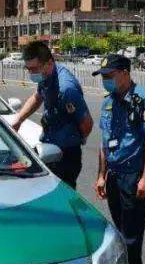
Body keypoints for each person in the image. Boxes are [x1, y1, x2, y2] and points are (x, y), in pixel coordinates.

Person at [92, 54, 145, 264]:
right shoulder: (108, 101)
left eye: (109, 76)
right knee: (119, 229)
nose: (106, 81)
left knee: (132, 231)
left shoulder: (144, 99)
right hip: (113, 173)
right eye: (103, 77)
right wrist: (101, 175)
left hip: (133, 174)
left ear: (124, 73)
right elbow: (104, 142)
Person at [11, 40, 92, 187]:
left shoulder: (66, 89)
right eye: (28, 69)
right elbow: (38, 96)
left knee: (63, 199)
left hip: (65, 155)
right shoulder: (46, 75)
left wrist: (74, 140)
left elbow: (87, 124)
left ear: (49, 63)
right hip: (49, 146)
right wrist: (19, 120)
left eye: (34, 69)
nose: (31, 73)